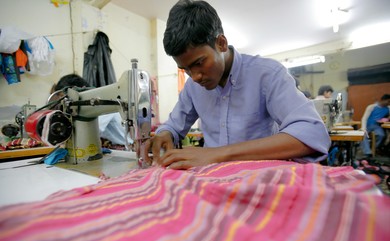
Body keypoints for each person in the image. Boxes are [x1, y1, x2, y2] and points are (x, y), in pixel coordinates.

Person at [144, 0, 330, 170]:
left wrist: (216, 155)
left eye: (199, 63)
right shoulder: (193, 88)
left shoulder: (267, 74)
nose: (194, 76)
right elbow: (174, 126)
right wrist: (164, 134)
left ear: (221, 43)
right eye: (185, 69)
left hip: (258, 178)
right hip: (210, 180)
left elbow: (313, 134)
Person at [50, 74, 131, 147]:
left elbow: (87, 133)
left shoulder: (101, 102)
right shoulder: (86, 106)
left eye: (63, 98)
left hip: (126, 148)